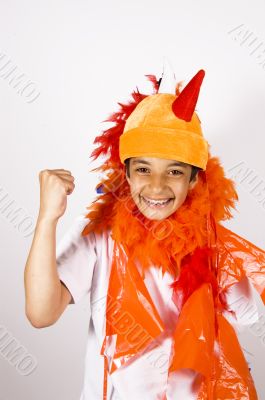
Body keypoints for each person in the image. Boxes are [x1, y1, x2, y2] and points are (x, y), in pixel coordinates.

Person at [24, 63, 265, 400]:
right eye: (143, 168)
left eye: (175, 171)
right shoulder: (100, 234)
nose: (156, 186)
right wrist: (47, 219)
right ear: (126, 173)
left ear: (195, 179)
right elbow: (40, 313)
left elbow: (241, 318)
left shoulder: (213, 245)